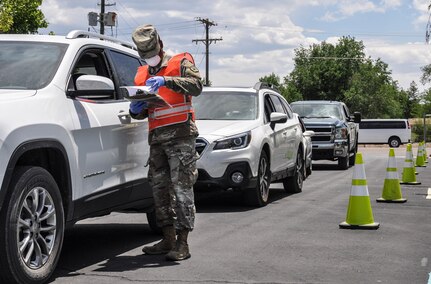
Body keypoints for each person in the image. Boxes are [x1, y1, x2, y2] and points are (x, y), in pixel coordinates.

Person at [129, 24, 202, 261]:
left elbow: (197, 86)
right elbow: (143, 112)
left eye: (151, 54)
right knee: (159, 190)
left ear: (160, 44)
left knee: (181, 188)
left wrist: (166, 81)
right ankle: (168, 238)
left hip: (181, 135)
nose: (149, 59)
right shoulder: (141, 73)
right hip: (157, 139)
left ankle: (183, 243)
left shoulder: (180, 62)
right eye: (145, 56)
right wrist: (136, 108)